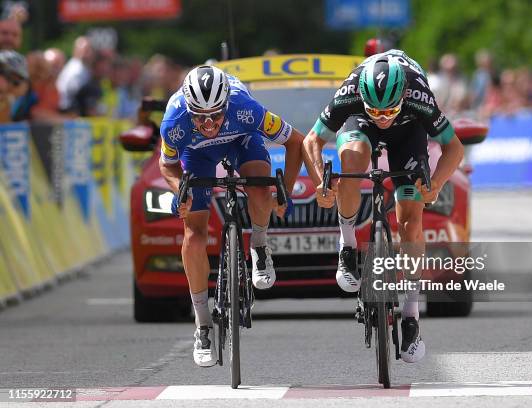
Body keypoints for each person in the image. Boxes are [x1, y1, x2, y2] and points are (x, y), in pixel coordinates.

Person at [302, 49, 464, 363]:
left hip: (410, 132)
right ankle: (347, 244)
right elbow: (312, 141)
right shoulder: (350, 91)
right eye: (376, 110)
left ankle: (412, 314)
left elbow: (453, 149)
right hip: (358, 126)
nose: (383, 118)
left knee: (411, 219)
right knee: (352, 159)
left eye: (388, 110)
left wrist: (437, 183)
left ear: (403, 95)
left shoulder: (418, 95)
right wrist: (322, 180)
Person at [159, 65, 304, 367]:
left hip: (242, 141)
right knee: (194, 235)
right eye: (200, 116)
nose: (209, 123)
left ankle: (260, 246)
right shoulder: (174, 121)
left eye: (216, 114)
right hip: (196, 155)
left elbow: (295, 142)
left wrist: (285, 192)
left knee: (260, 189)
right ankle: (202, 324)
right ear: (188, 110)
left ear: (227, 104)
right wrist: (179, 192)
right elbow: (167, 166)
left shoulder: (246, 108)